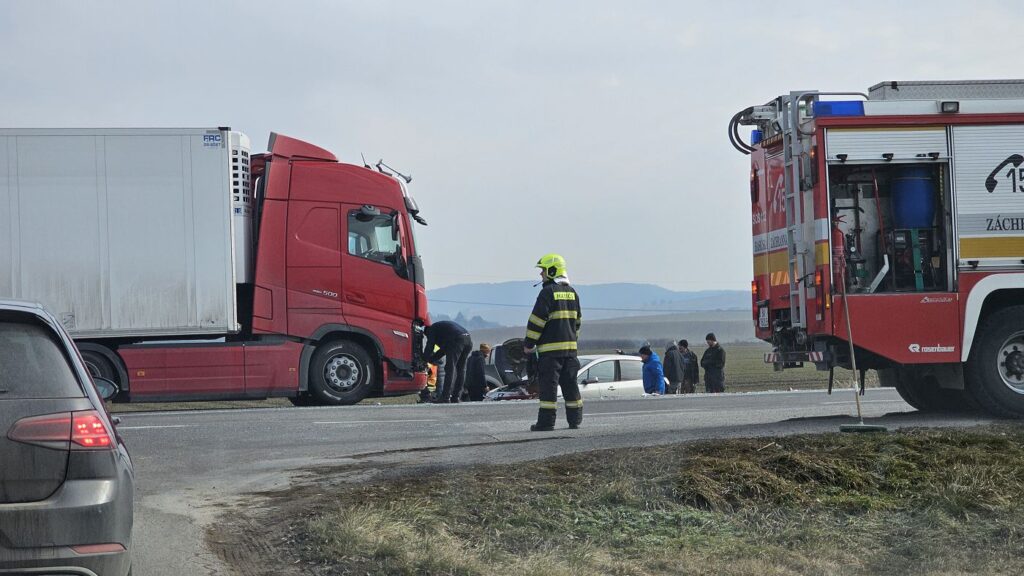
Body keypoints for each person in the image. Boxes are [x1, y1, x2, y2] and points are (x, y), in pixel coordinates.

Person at [524, 253, 583, 431]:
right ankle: (575, 420)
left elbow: (537, 321)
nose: (541, 274)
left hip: (551, 354)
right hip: (571, 352)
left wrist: (528, 344)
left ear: (551, 270)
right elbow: (577, 322)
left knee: (548, 388)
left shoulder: (547, 293)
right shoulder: (573, 293)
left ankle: (546, 422)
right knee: (571, 386)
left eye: (543, 270)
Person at [422, 320, 472, 403]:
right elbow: (444, 350)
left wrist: (424, 360)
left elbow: (429, 346)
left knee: (450, 369)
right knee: (461, 369)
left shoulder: (431, 329)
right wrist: (431, 359)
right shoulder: (443, 331)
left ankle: (445, 397)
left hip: (457, 339)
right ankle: (456, 397)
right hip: (468, 339)